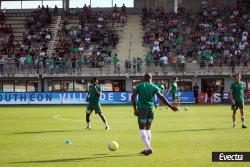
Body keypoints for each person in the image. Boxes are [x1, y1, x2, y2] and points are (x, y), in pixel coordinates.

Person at [132, 73, 178, 156]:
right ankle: (146, 149)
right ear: (151, 79)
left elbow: (133, 97)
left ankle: (148, 148)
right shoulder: (154, 87)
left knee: (142, 129)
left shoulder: (139, 86)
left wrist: (135, 109)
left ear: (143, 78)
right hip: (151, 109)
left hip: (142, 109)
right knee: (148, 129)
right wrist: (171, 107)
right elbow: (162, 98)